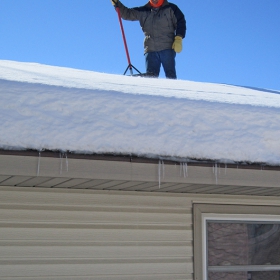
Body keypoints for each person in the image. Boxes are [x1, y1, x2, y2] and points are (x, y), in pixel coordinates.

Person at [111, 0, 186, 79]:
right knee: (150, 77)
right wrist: (117, 3)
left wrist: (179, 38)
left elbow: (180, 22)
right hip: (151, 49)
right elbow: (127, 14)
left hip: (167, 47)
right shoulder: (144, 10)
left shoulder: (171, 8)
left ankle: (173, 91)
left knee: (170, 76)